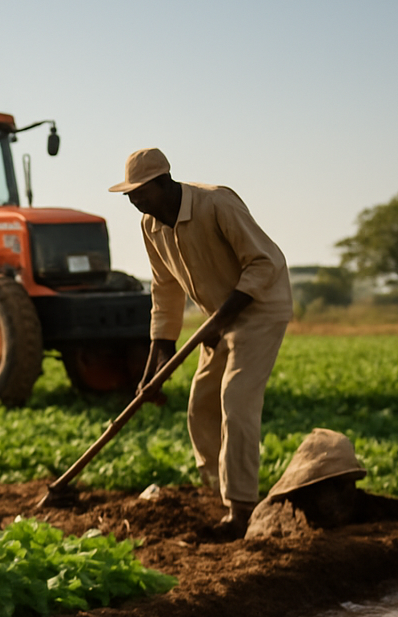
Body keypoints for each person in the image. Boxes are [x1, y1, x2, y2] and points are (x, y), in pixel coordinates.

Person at [111, 148, 292, 539]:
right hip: (218, 315)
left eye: (141, 193)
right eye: (130, 196)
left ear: (164, 182)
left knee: (236, 400)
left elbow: (265, 262)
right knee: (200, 405)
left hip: (258, 308)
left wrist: (221, 320)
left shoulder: (216, 203)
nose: (136, 202)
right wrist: (154, 365)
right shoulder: (151, 225)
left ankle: (240, 511)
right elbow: (165, 290)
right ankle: (222, 491)